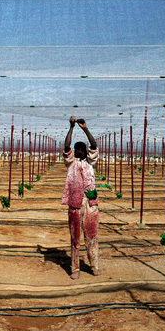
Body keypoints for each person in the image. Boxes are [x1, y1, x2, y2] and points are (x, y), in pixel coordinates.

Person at [61, 116, 101, 279]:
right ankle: (75, 268)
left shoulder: (90, 162)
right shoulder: (70, 163)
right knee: (75, 237)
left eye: (81, 149)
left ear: (85, 152)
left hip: (91, 202)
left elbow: (94, 145)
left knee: (92, 236)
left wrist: (85, 128)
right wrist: (71, 127)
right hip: (75, 204)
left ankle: (94, 265)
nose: (79, 151)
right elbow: (66, 146)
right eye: (77, 149)